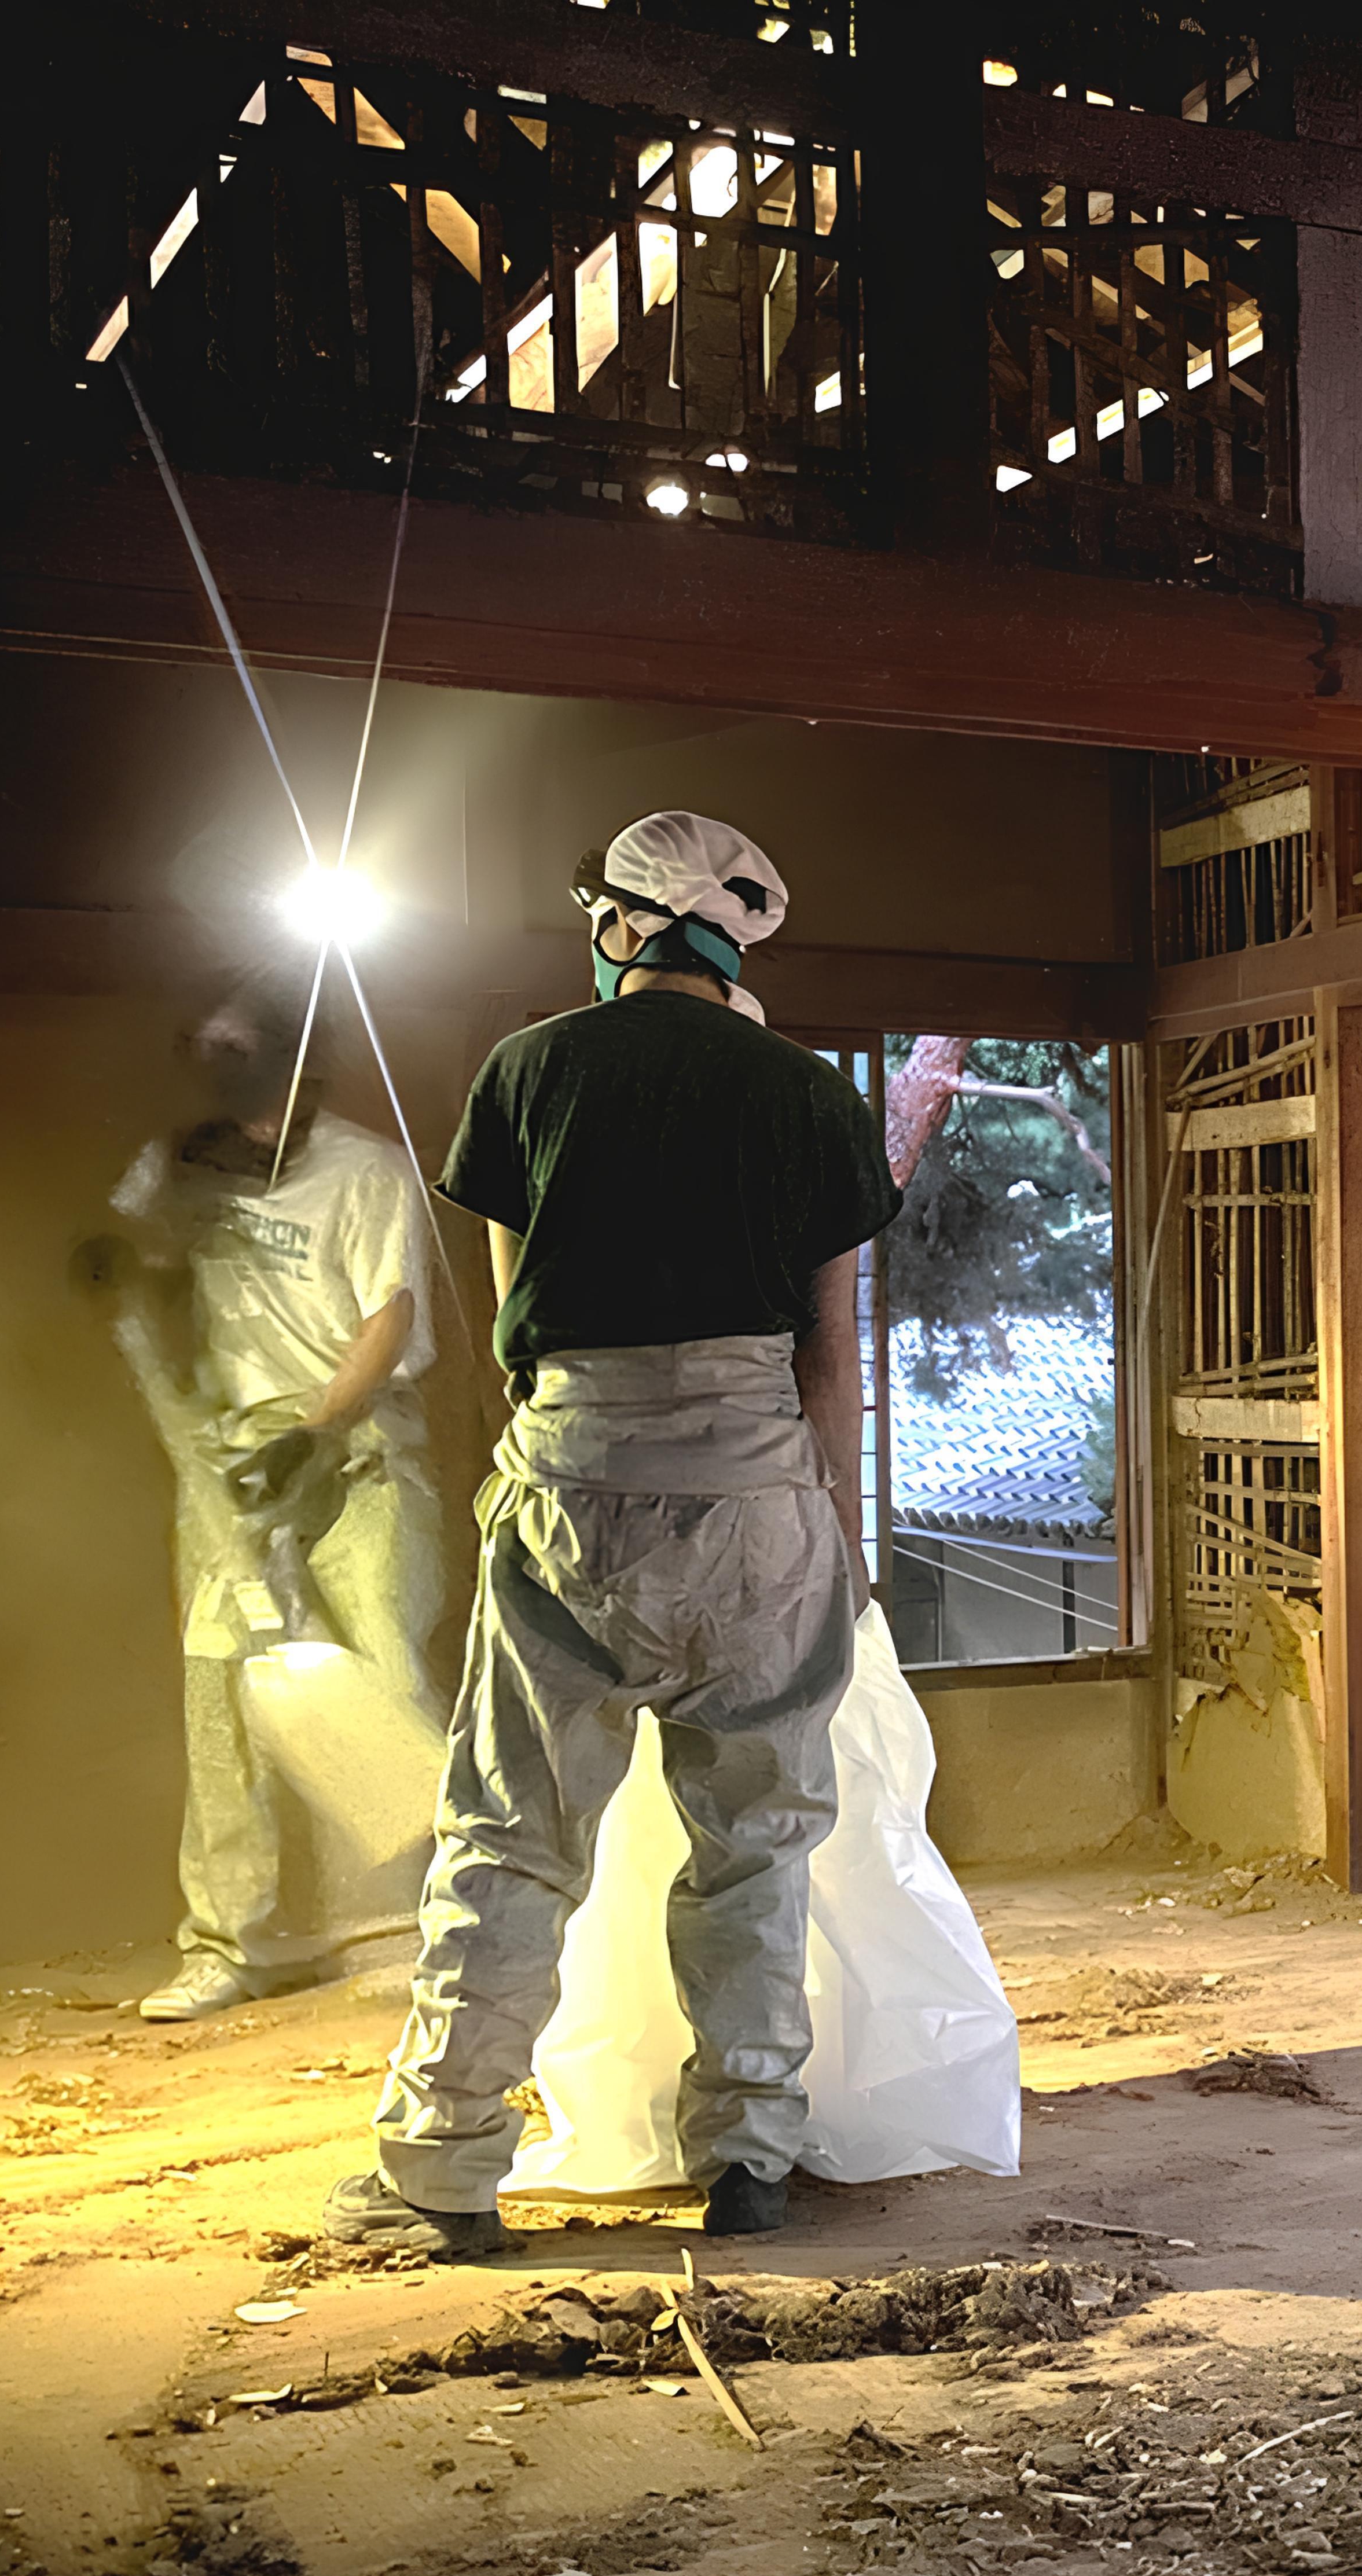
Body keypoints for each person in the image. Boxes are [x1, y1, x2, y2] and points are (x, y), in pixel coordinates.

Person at [324, 812, 900, 2256]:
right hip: (763, 1493)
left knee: (512, 1836)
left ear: (624, 927)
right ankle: (751, 2153)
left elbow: (512, 1339)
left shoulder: (528, 1069)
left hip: (577, 1479)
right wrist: (840, 1535)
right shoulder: (814, 1095)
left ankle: (446, 2161)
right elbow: (832, 1353)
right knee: (756, 1843)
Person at [108, 994, 442, 2021]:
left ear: (305, 1065)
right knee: (224, 1703)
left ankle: (400, 1931)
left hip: (357, 1452)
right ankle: (229, 1941)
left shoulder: (365, 1170)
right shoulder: (177, 1168)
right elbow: (146, 1280)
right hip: (228, 1468)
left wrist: (316, 1433)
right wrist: (129, 1275)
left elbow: (390, 1318)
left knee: (379, 1679)